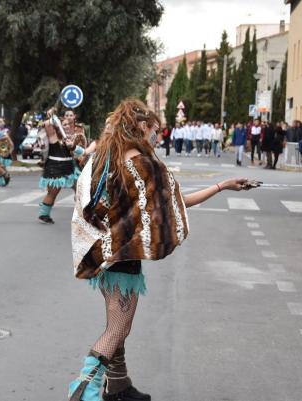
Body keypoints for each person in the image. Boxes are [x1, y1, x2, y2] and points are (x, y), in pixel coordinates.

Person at [69, 98, 255, 401]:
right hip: (123, 258)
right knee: (118, 330)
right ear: (142, 126)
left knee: (116, 325)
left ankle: (118, 386)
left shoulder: (105, 157)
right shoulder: (143, 164)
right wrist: (222, 186)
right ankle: (83, 390)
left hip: (102, 253)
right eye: (156, 130)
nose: (157, 136)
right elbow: (175, 203)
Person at [37, 108, 87, 224]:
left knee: (80, 189)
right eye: (64, 124)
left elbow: (80, 152)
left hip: (70, 168)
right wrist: (50, 115)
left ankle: (83, 214)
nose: (67, 126)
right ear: (59, 126)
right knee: (52, 193)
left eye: (69, 124)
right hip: (55, 169)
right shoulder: (54, 136)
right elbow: (46, 125)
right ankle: (44, 215)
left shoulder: (72, 138)